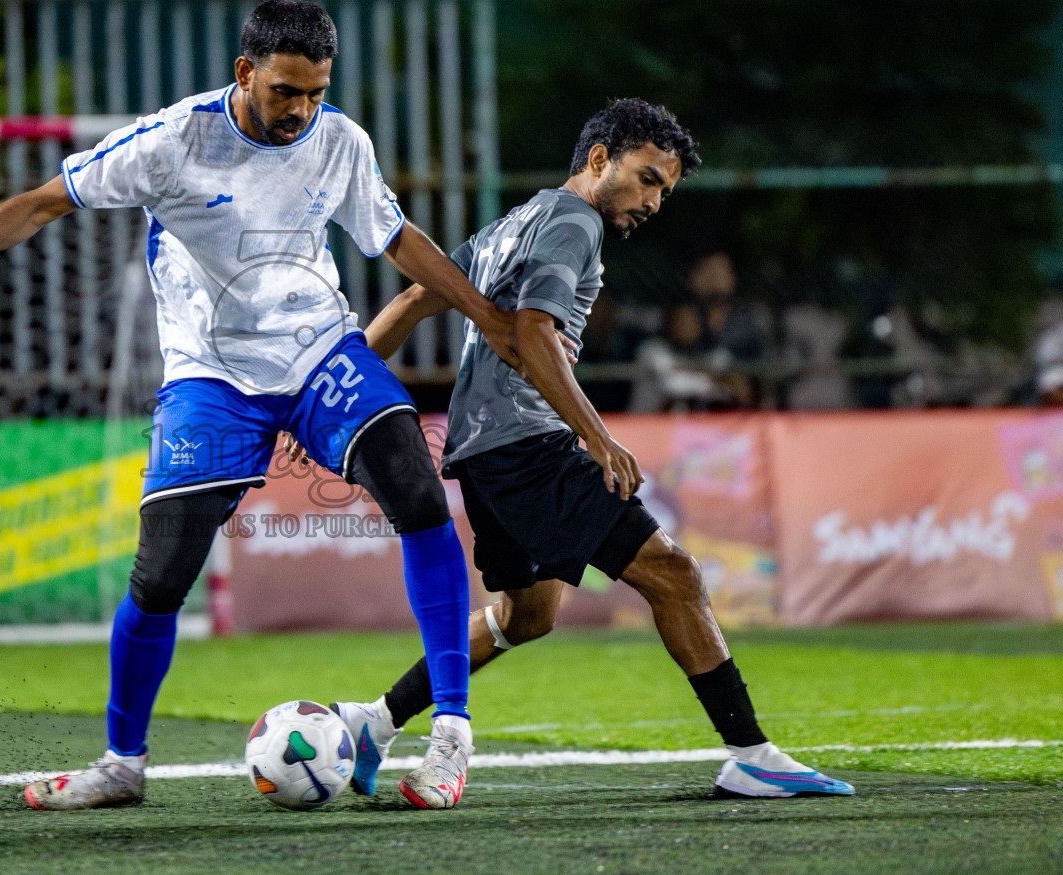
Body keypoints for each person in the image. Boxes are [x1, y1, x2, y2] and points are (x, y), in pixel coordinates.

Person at [0, 0, 517, 810]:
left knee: (421, 498)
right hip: (210, 376)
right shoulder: (172, 141)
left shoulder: (341, 142)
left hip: (321, 353)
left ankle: (450, 735)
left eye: (316, 92)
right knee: (163, 575)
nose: (302, 111)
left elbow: (396, 239)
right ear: (244, 73)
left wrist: (487, 316)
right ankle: (121, 764)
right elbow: (44, 201)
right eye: (286, 92)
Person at [326, 99, 855, 800]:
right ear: (599, 159)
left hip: (483, 455)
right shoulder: (574, 222)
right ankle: (751, 753)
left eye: (664, 189)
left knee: (529, 617)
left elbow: (412, 303)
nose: (654, 201)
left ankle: (376, 720)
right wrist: (597, 436)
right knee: (674, 575)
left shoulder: (515, 221)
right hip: (529, 445)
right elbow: (536, 331)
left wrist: (339, 396)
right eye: (647, 179)